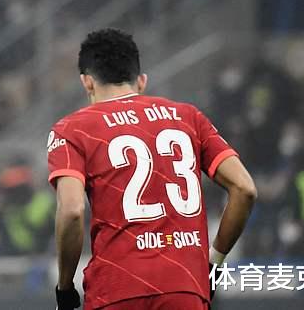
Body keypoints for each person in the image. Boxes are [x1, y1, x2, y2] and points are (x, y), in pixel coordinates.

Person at [48, 29, 258, 310]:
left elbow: (72, 210)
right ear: (142, 81)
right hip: (185, 287)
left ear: (86, 82)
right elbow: (244, 188)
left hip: (116, 288)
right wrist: (214, 262)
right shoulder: (188, 117)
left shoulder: (72, 129)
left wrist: (64, 288)